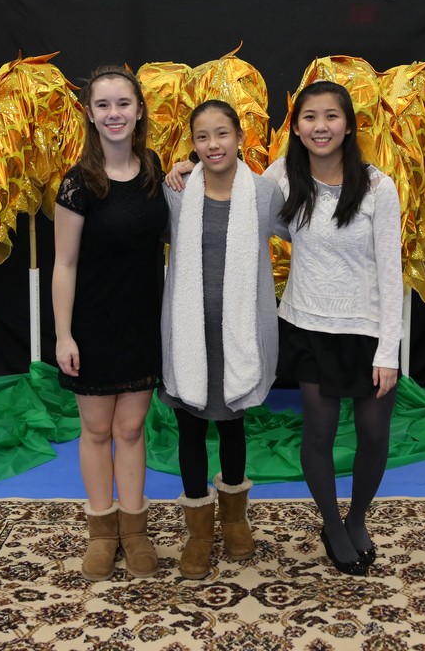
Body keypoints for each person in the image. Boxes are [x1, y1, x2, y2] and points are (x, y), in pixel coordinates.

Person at [264, 79, 403, 576]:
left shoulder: (378, 187)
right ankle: (331, 524)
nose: (320, 126)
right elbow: (240, 197)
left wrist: (389, 350)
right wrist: (184, 169)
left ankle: (357, 517)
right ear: (296, 128)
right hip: (306, 325)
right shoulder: (282, 177)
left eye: (331, 116)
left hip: (366, 329)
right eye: (309, 117)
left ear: (348, 126)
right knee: (318, 433)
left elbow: (392, 273)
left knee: (373, 434)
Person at [160, 99, 287, 579]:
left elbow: (304, 226)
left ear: (240, 137)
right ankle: (198, 531)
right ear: (192, 145)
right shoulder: (177, 192)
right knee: (190, 429)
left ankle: (234, 520)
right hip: (187, 332)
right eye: (202, 136)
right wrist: (175, 171)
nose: (213, 144)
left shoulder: (263, 193)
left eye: (222, 134)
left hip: (240, 332)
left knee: (233, 426)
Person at [52, 65, 167, 582]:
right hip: (93, 324)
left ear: (139, 110)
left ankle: (135, 530)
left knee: (131, 428)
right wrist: (63, 334)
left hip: (142, 321)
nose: (114, 113)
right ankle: (102, 531)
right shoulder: (78, 184)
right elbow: (64, 264)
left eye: (123, 103)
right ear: (90, 114)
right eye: (103, 105)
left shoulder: (155, 171)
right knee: (97, 430)